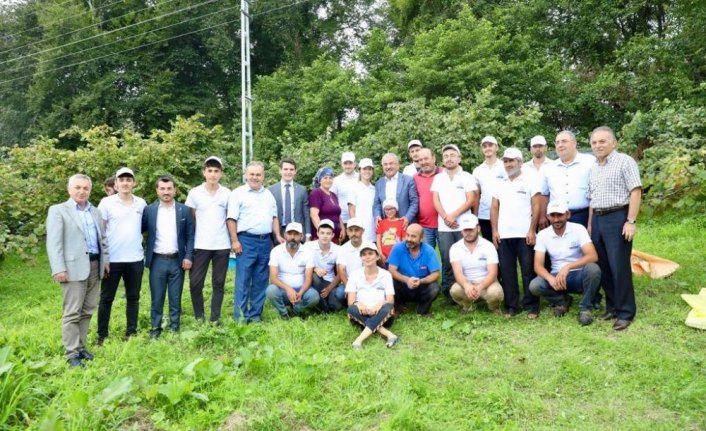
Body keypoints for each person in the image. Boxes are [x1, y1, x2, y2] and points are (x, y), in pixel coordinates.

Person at [47, 174, 109, 367]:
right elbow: (54, 242)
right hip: (72, 268)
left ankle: (81, 347)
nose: (82, 191)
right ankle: (71, 353)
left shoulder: (95, 211)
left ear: (90, 190)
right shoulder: (59, 211)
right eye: (78, 187)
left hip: (94, 266)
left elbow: (103, 240)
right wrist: (58, 268)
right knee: (72, 312)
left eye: (86, 188)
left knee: (88, 309)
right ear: (69, 189)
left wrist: (105, 261)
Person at [588, 126, 642, 331]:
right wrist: (592, 224)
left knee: (619, 266)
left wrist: (631, 221)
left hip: (618, 217)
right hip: (599, 220)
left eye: (602, 141)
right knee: (604, 267)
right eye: (594, 142)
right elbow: (592, 198)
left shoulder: (624, 161)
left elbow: (635, 191)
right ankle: (612, 307)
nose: (597, 145)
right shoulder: (594, 167)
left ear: (613, 143)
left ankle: (626, 312)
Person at [227, 161, 284, 323]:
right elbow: (231, 219)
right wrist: (235, 241)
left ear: (263, 176)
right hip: (245, 241)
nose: (255, 177)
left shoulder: (268, 195)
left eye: (258, 174)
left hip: (265, 242)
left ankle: (256, 315)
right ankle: (241, 317)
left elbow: (274, 217)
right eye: (251, 174)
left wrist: (277, 235)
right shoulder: (238, 193)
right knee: (243, 280)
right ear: (246, 175)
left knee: (261, 280)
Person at [529, 201, 601, 326]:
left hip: (578, 274)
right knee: (535, 286)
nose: (556, 219)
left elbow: (592, 256)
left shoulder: (578, 229)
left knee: (593, 269)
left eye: (560, 215)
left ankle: (585, 308)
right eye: (553, 215)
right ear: (547, 216)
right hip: (557, 277)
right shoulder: (543, 234)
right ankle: (562, 301)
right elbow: (538, 266)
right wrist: (550, 278)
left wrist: (568, 267)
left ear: (568, 214)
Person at [96, 167, 147, 344]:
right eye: (121, 180)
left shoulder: (141, 203)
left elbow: (142, 228)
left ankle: (131, 332)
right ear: (116, 184)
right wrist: (104, 258)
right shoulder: (106, 203)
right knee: (106, 298)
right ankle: (102, 335)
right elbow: (100, 231)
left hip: (135, 259)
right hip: (113, 260)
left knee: (133, 297)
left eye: (128, 180)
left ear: (134, 183)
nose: (125, 183)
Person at [142, 176, 195, 338]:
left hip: (177, 260)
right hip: (157, 260)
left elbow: (190, 235)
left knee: (175, 296)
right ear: (157, 190)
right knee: (157, 298)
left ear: (174, 190)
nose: (166, 192)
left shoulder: (184, 210)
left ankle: (174, 328)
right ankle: (155, 329)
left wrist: (188, 256)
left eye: (169, 189)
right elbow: (141, 231)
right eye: (162, 189)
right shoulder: (149, 210)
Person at [491, 148, 541, 318]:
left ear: (520, 162)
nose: (508, 164)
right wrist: (495, 230)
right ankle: (512, 306)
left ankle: (531, 306)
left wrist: (532, 230)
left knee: (528, 271)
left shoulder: (530, 180)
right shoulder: (499, 182)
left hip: (524, 234)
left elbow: (536, 206)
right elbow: (494, 207)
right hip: (504, 235)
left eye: (512, 160)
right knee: (507, 271)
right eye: (505, 161)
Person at [184, 156, 231, 324]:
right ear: (204, 172)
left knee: (218, 283)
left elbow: (229, 218)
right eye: (209, 170)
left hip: (222, 245)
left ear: (221, 174)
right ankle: (199, 317)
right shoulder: (194, 193)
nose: (213, 174)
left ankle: (214, 318)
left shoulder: (227, 193)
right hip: (200, 244)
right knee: (195, 283)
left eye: (216, 171)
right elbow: (191, 219)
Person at [431, 144, 477, 301]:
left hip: (464, 225)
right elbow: (435, 199)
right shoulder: (438, 178)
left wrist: (454, 215)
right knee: (447, 259)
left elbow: (471, 199)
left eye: (452, 155)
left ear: (459, 158)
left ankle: (469, 292)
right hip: (444, 227)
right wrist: (445, 217)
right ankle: (451, 295)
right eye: (446, 156)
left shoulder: (467, 177)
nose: (449, 158)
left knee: (466, 258)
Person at [345, 242, 399, 349]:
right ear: (361, 258)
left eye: (370, 253)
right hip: (362, 314)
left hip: (382, 314)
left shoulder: (386, 275)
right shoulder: (354, 275)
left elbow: (390, 300)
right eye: (364, 254)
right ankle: (390, 335)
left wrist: (380, 304)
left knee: (388, 307)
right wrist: (358, 303)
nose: (367, 257)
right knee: (351, 309)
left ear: (377, 256)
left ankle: (358, 341)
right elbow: (351, 301)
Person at [539, 130, 595, 228]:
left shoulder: (590, 162)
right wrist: (542, 216)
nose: (560, 145)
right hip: (557, 216)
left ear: (574, 143)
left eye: (564, 141)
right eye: (557, 142)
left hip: (583, 215)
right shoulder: (548, 168)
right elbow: (544, 195)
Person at [449, 215, 503, 314]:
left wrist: (480, 287)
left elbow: (493, 273)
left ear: (478, 228)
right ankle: (468, 306)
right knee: (455, 290)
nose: (468, 233)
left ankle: (493, 307)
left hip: (486, 283)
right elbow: (458, 273)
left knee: (496, 293)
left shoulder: (488, 246)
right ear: (461, 231)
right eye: (465, 230)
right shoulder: (455, 248)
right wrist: (467, 285)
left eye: (471, 229)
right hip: (467, 283)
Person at [266, 222, 319, 319]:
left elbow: (308, 278)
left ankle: (296, 312)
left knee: (314, 296)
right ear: (285, 235)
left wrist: (301, 292)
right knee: (271, 290)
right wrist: (288, 289)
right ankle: (284, 313)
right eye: (290, 234)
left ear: (301, 236)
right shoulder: (276, 251)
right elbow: (273, 278)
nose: (292, 237)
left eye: (296, 234)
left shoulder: (307, 252)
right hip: (283, 290)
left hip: (301, 290)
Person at [387, 224, 440, 316]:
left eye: (413, 236)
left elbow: (436, 274)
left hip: (420, 286)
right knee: (389, 280)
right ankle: (398, 306)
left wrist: (420, 281)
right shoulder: (398, 247)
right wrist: (407, 280)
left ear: (422, 238)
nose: (409, 239)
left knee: (434, 288)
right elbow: (391, 270)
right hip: (403, 285)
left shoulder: (429, 251)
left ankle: (422, 310)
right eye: (407, 235)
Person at [303, 219, 345, 312]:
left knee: (335, 307)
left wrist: (329, 289)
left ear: (332, 235)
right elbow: (301, 264)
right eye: (322, 233)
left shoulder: (338, 249)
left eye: (328, 233)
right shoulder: (308, 246)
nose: (325, 236)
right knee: (314, 276)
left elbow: (340, 273)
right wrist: (315, 269)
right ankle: (323, 307)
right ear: (317, 233)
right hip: (314, 281)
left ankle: (323, 303)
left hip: (330, 281)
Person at [472, 136, 506, 241]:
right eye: (485, 146)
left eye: (490, 145)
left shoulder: (505, 166)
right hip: (484, 215)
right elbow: (476, 196)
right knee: (488, 247)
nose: (487, 148)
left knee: (503, 248)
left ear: (497, 148)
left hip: (503, 214)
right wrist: (474, 217)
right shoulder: (477, 170)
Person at [373, 153, 419, 228]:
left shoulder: (408, 180)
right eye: (385, 164)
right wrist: (377, 216)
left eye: (391, 163)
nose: (388, 167)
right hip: (386, 226)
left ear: (398, 165)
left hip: (405, 225)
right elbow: (377, 204)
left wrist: (407, 218)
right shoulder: (379, 183)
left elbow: (414, 202)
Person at [268, 158, 311, 239]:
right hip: (278, 232)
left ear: (295, 171)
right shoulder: (271, 190)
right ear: (280, 171)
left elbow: (306, 214)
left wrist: (308, 234)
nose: (288, 172)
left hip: (297, 231)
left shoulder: (302, 190)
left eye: (291, 169)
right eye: (285, 169)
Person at [413, 148, 442, 248]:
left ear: (433, 158)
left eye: (426, 159)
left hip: (444, 224)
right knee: (426, 258)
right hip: (424, 226)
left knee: (447, 257)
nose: (423, 162)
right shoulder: (415, 178)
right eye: (420, 160)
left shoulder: (444, 174)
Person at [309, 166, 343, 243]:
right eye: (325, 178)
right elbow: (314, 215)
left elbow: (338, 214)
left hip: (335, 237)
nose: (328, 180)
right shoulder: (316, 193)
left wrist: (342, 229)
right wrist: (323, 234)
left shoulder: (333, 195)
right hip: (323, 239)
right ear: (320, 180)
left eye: (330, 178)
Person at [347, 158, 376, 242]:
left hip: (373, 231)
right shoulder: (353, 188)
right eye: (364, 169)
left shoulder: (374, 189)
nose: (367, 171)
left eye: (369, 169)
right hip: (360, 232)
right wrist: (355, 229)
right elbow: (351, 211)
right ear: (359, 170)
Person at [336, 218, 367, 288]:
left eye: (357, 230)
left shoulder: (370, 246)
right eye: (350, 230)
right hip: (348, 281)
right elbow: (341, 269)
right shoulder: (342, 248)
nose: (353, 233)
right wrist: (348, 287)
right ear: (347, 232)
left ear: (363, 231)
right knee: (339, 293)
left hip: (367, 281)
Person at [332, 151, 359, 231]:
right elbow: (333, 201)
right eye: (345, 163)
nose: (348, 166)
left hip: (358, 220)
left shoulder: (361, 178)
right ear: (342, 164)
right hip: (342, 221)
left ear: (354, 164)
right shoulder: (336, 180)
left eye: (350, 163)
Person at [376, 198, 405, 263]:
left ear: (396, 209)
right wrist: (380, 254)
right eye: (387, 209)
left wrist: (402, 254)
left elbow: (404, 240)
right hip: (384, 257)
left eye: (391, 208)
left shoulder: (401, 222)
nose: (389, 211)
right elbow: (378, 239)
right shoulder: (381, 223)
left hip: (398, 256)